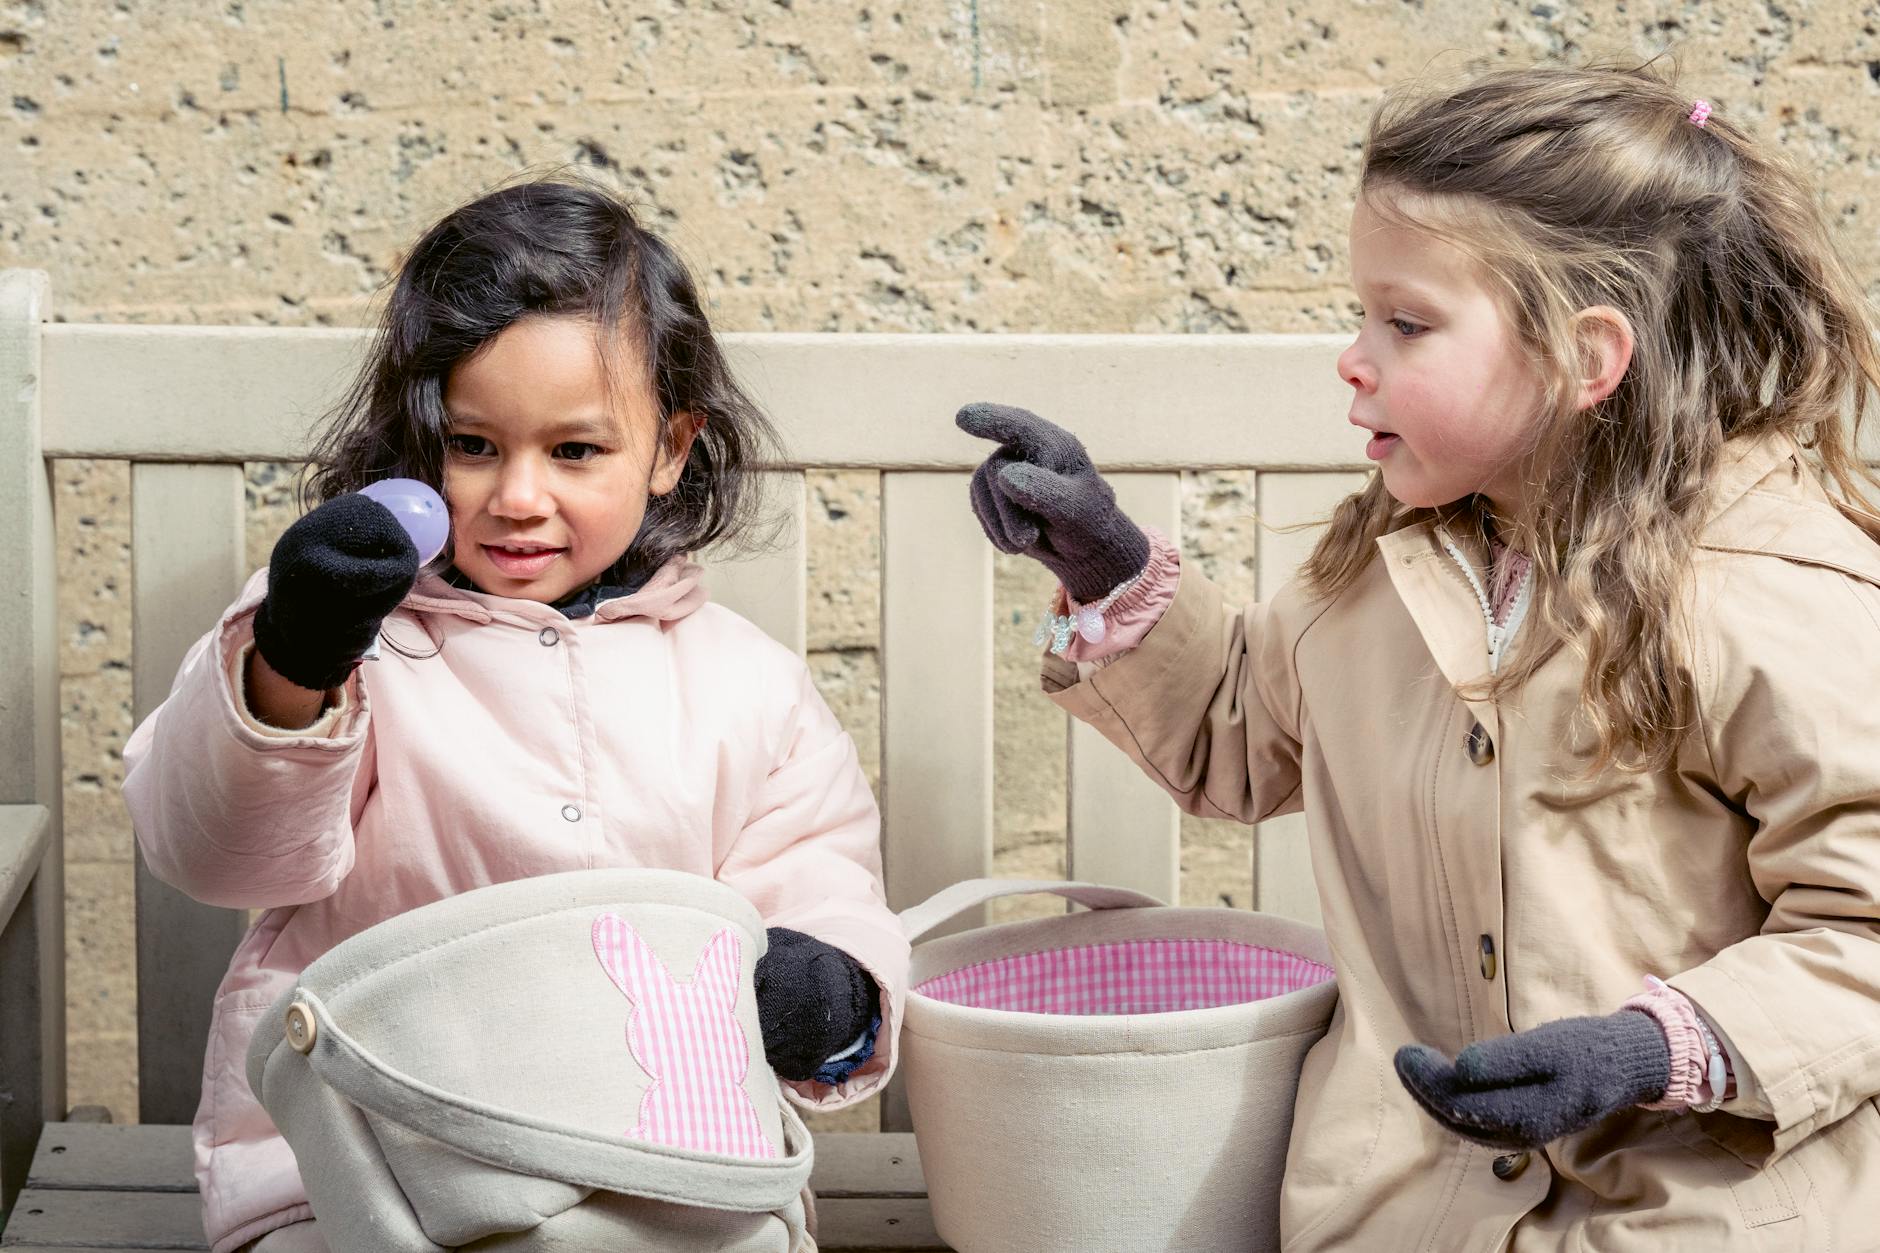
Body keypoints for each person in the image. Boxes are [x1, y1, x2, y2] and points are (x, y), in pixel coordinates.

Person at [958, 63, 1880, 1248]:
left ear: (1583, 356)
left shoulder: (1770, 595)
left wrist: (1658, 1046)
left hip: (1698, 1207)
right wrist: (1104, 560)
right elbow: (1238, 742)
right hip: (1402, 1207)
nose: (1352, 357)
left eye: (1403, 322)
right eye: (1360, 316)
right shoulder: (1378, 575)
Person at [123, 174, 906, 1253]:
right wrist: (291, 665)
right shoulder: (350, 632)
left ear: (671, 448)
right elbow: (215, 851)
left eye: (574, 450)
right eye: (474, 444)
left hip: (661, 1166)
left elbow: (816, 868)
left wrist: (831, 984)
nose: (518, 495)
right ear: (417, 434)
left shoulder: (746, 684)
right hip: (360, 1161)